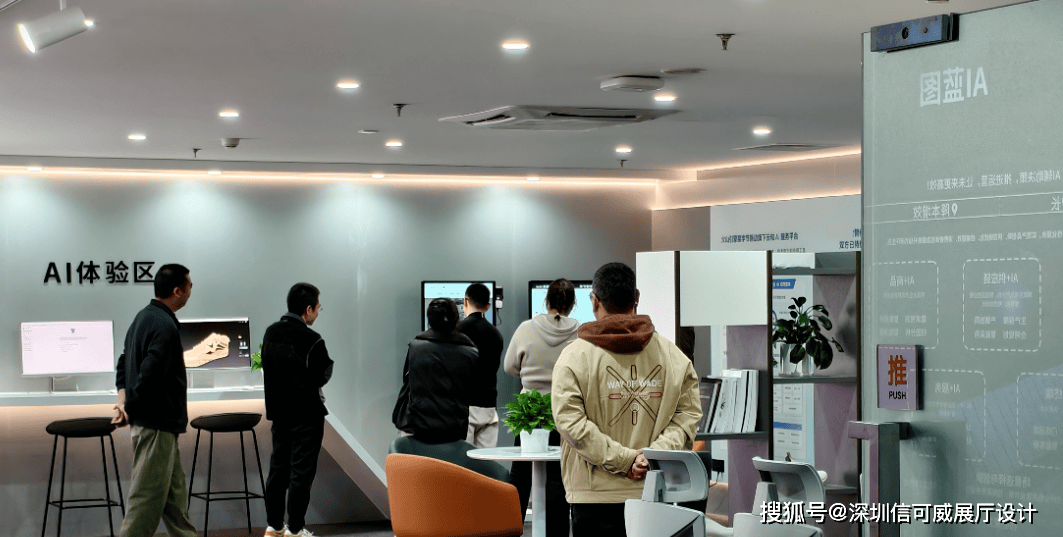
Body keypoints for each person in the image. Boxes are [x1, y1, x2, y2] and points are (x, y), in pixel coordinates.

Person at [551, 262, 702, 537]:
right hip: (654, 493)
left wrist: (624, 460)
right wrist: (650, 457)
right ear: (636, 297)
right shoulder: (674, 356)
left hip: (594, 496)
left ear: (594, 300)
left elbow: (570, 424)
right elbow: (688, 416)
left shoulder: (573, 357)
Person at [112, 264, 198, 537]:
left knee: (175, 504)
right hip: (157, 425)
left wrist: (123, 401)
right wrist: (129, 406)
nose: (192, 289)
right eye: (189, 285)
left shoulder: (143, 318)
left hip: (154, 425)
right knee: (145, 503)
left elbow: (123, 362)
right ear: (177, 291)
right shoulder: (164, 325)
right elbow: (149, 373)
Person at [504, 278, 579, 537]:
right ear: (573, 304)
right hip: (564, 410)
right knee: (559, 473)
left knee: (520, 473)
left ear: (546, 301)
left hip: (529, 410)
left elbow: (509, 366)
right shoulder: (580, 332)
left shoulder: (526, 328)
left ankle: (510, 528)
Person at [261, 283, 335, 537]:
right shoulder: (312, 339)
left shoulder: (271, 333)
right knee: (301, 473)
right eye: (318, 308)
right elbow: (323, 374)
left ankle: (274, 527)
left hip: (279, 412)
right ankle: (295, 529)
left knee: (278, 469)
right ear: (308, 309)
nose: (317, 313)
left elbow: (267, 367)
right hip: (307, 414)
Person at [392, 298, 478, 443]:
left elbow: (407, 382)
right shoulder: (471, 352)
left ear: (429, 319)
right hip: (455, 430)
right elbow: (474, 391)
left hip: (417, 428)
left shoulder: (415, 347)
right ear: (457, 319)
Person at [456, 283, 504, 448]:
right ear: (488, 306)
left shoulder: (457, 331)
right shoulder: (496, 334)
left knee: (462, 459)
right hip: (489, 405)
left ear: (465, 301)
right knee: (486, 459)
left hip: (464, 405)